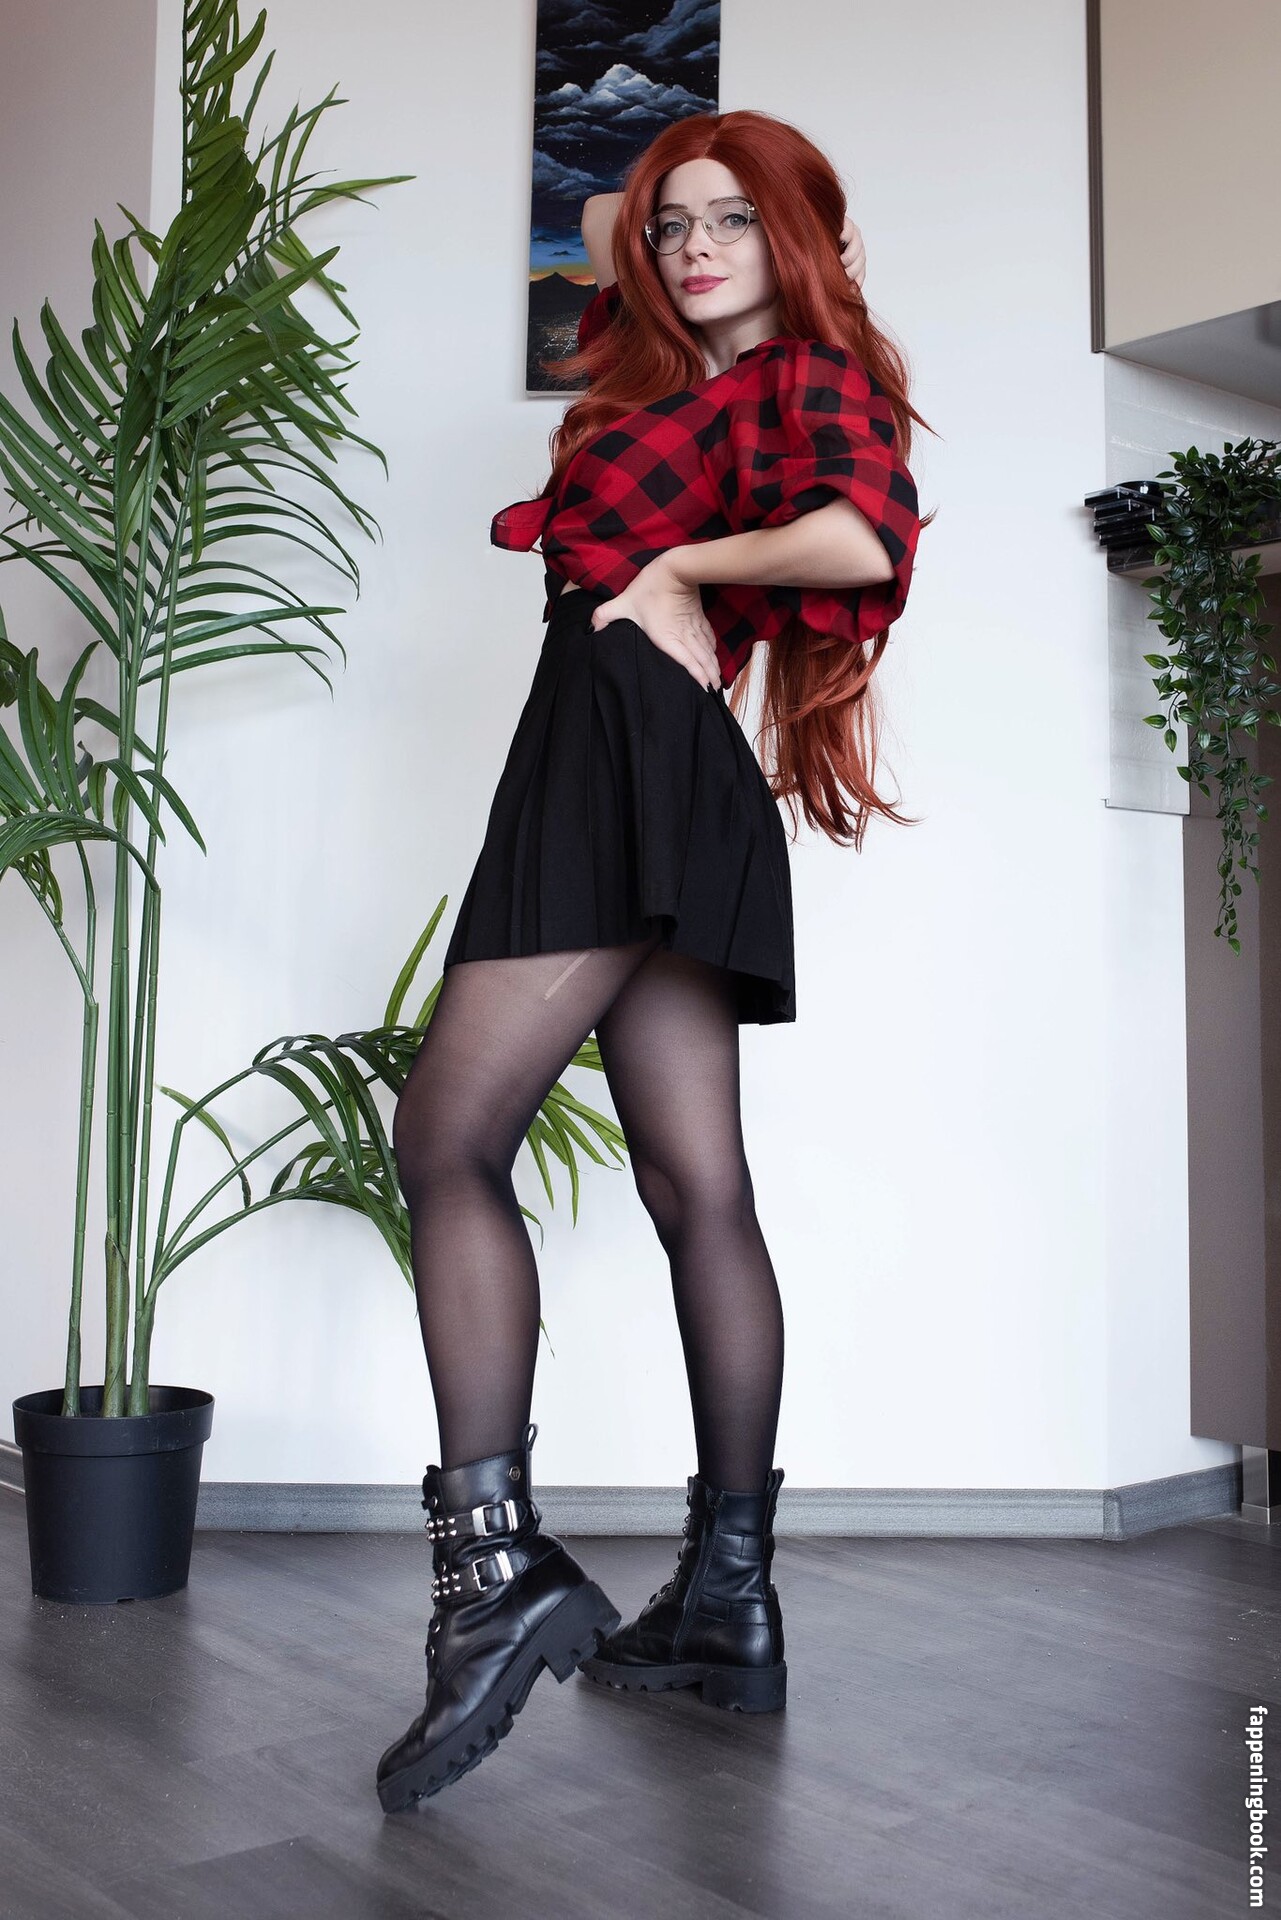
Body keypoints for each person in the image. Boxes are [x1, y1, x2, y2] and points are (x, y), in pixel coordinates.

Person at [376, 108, 931, 1813]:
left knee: (446, 1140)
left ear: (795, 239)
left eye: (732, 221)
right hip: (651, 762)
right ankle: (727, 1601)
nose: (693, 247)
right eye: (672, 224)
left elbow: (864, 537)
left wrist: (678, 562)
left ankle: (493, 1571)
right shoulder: (664, 396)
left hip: (625, 752)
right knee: (698, 1187)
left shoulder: (801, 379)